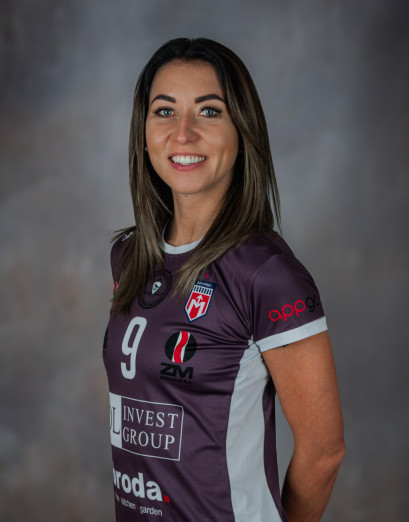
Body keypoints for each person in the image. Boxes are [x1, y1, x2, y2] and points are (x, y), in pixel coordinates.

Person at [103, 37, 345, 522]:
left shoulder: (266, 273)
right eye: (165, 111)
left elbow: (324, 452)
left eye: (209, 112)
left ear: (242, 130)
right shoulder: (129, 256)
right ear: (144, 131)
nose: (183, 133)